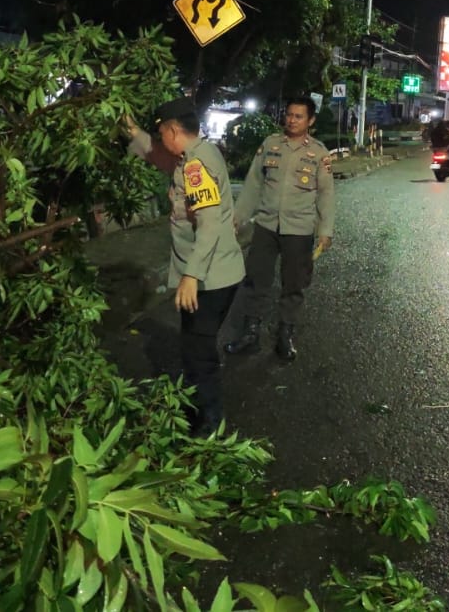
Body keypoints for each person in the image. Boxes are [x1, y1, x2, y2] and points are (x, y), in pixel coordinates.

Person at [125, 98, 244, 436]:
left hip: (210, 278)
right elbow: (160, 158)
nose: (160, 138)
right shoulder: (193, 157)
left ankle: (210, 426)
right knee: (196, 347)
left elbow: (207, 224)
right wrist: (134, 131)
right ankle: (203, 414)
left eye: (162, 132)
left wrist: (191, 276)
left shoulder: (195, 166)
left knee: (197, 354)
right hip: (219, 272)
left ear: (174, 130)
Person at [224, 96, 335, 362]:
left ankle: (285, 336)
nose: (292, 120)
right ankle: (251, 334)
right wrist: (238, 217)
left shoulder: (319, 153)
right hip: (266, 225)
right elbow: (253, 184)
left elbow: (326, 193)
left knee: (293, 285)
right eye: (289, 115)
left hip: (299, 229)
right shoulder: (270, 145)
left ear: (310, 121)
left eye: (298, 116)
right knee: (255, 280)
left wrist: (325, 229)